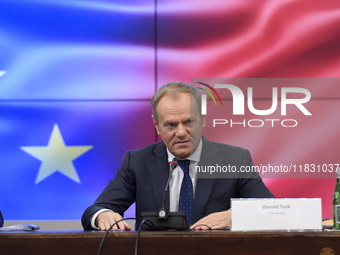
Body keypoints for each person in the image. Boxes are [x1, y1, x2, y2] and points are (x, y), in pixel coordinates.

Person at [82, 81, 274, 231]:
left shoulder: (235, 159)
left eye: (189, 121)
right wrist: (103, 216)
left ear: (203, 119)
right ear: (157, 126)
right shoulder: (137, 162)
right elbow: (96, 210)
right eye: (170, 125)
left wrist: (235, 216)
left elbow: (271, 210)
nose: (181, 132)